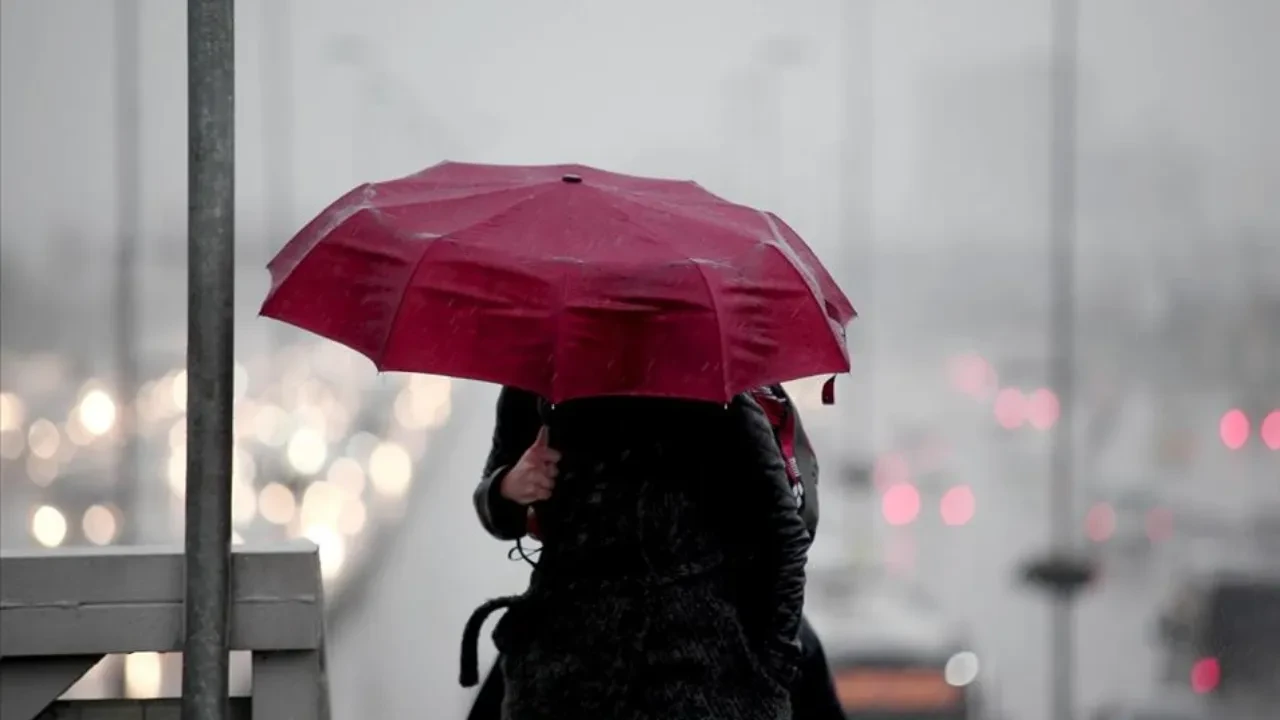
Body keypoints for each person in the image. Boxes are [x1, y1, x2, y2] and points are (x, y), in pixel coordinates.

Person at [466, 385, 845, 720]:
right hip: (565, 654)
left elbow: (786, 526)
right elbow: (497, 501)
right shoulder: (543, 372)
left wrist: (773, 666)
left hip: (705, 661)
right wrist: (509, 487)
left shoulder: (720, 376)